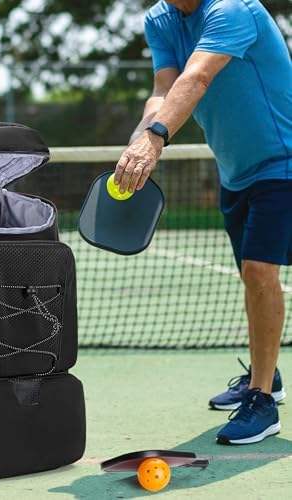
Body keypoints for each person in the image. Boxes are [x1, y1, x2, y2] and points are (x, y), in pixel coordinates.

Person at [115, 0, 291, 444]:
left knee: (260, 271)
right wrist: (140, 136)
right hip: (235, 170)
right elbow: (164, 87)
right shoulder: (160, 19)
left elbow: (197, 77)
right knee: (252, 275)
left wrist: (155, 140)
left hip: (283, 162)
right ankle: (267, 376)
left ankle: (262, 402)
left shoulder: (233, 9)